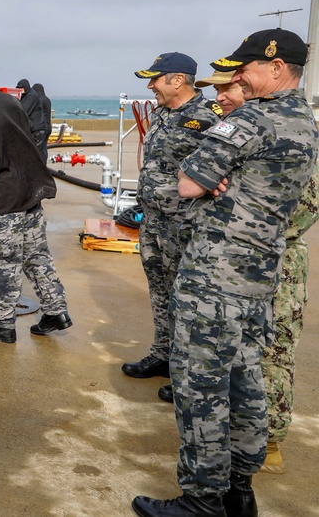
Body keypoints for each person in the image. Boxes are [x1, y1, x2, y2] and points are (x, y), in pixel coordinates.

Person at [132, 29, 319, 517]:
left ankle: (203, 498)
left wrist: (213, 179)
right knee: (244, 378)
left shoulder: (253, 119)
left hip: (216, 272)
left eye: (247, 67)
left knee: (201, 385)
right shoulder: (303, 120)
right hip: (259, 270)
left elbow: (190, 182)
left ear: (277, 68)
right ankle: (239, 487)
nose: (237, 77)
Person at [192, 70, 319, 474]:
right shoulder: (243, 137)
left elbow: (300, 211)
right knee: (227, 359)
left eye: (228, 88)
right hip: (232, 261)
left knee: (269, 354)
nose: (221, 98)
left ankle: (268, 444)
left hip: (275, 261)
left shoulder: (291, 138)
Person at [121, 53, 221, 400]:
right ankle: (163, 355)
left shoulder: (209, 118)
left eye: (156, 79)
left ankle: (185, 372)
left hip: (184, 225)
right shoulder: (163, 114)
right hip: (153, 222)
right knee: (160, 292)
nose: (150, 86)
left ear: (178, 80)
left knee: (185, 299)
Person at [0, 56, 72, 344]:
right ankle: (56, 310)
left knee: (2, 263)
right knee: (36, 257)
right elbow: (30, 140)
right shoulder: (9, 102)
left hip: (2, 200)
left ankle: (2, 323)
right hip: (29, 195)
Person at [15, 79, 49, 159]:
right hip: (35, 128)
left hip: (37, 129)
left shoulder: (31, 96)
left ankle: (41, 169)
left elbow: (24, 110)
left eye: (21, 88)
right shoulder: (25, 96)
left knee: (38, 152)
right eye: (18, 88)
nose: (20, 90)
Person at [32, 82, 53, 162]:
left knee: (39, 149)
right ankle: (44, 163)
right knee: (44, 148)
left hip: (42, 127)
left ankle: (41, 164)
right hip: (48, 127)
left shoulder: (39, 100)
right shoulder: (47, 99)